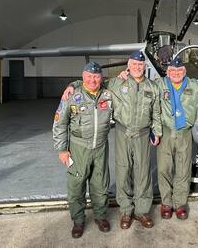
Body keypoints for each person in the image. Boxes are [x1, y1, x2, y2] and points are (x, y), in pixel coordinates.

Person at [118, 56, 198, 220]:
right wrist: (124, 76)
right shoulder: (160, 84)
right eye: (172, 71)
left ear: (184, 72)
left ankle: (179, 204)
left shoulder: (195, 86)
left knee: (182, 170)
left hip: (184, 133)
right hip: (165, 132)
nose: (176, 73)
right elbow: (140, 85)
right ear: (168, 72)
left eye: (179, 71)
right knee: (164, 169)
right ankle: (166, 203)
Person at [62, 51, 163, 229]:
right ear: (128, 66)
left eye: (140, 65)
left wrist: (158, 131)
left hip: (143, 133)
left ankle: (141, 211)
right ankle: (125, 211)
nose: (137, 68)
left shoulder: (152, 87)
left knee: (143, 173)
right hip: (123, 132)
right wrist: (73, 84)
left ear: (144, 67)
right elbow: (93, 83)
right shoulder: (116, 83)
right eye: (134, 65)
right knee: (123, 171)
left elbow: (156, 111)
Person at [52, 62, 113, 238]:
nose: (93, 80)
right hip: (79, 147)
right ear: (83, 76)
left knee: (100, 184)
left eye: (96, 76)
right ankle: (78, 220)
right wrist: (62, 149)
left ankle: (100, 216)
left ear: (101, 77)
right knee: (76, 185)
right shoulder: (72, 95)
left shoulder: (108, 94)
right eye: (89, 76)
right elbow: (59, 123)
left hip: (101, 147)